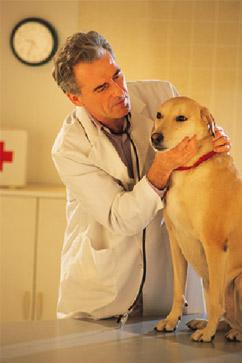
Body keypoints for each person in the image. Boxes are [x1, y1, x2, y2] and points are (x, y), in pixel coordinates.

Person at [52, 31, 230, 321]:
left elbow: (202, 131)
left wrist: (216, 139)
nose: (118, 91)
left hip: (167, 292)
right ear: (75, 98)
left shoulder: (162, 95)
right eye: (100, 88)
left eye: (117, 75)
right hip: (102, 295)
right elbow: (121, 218)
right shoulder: (70, 147)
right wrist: (162, 167)